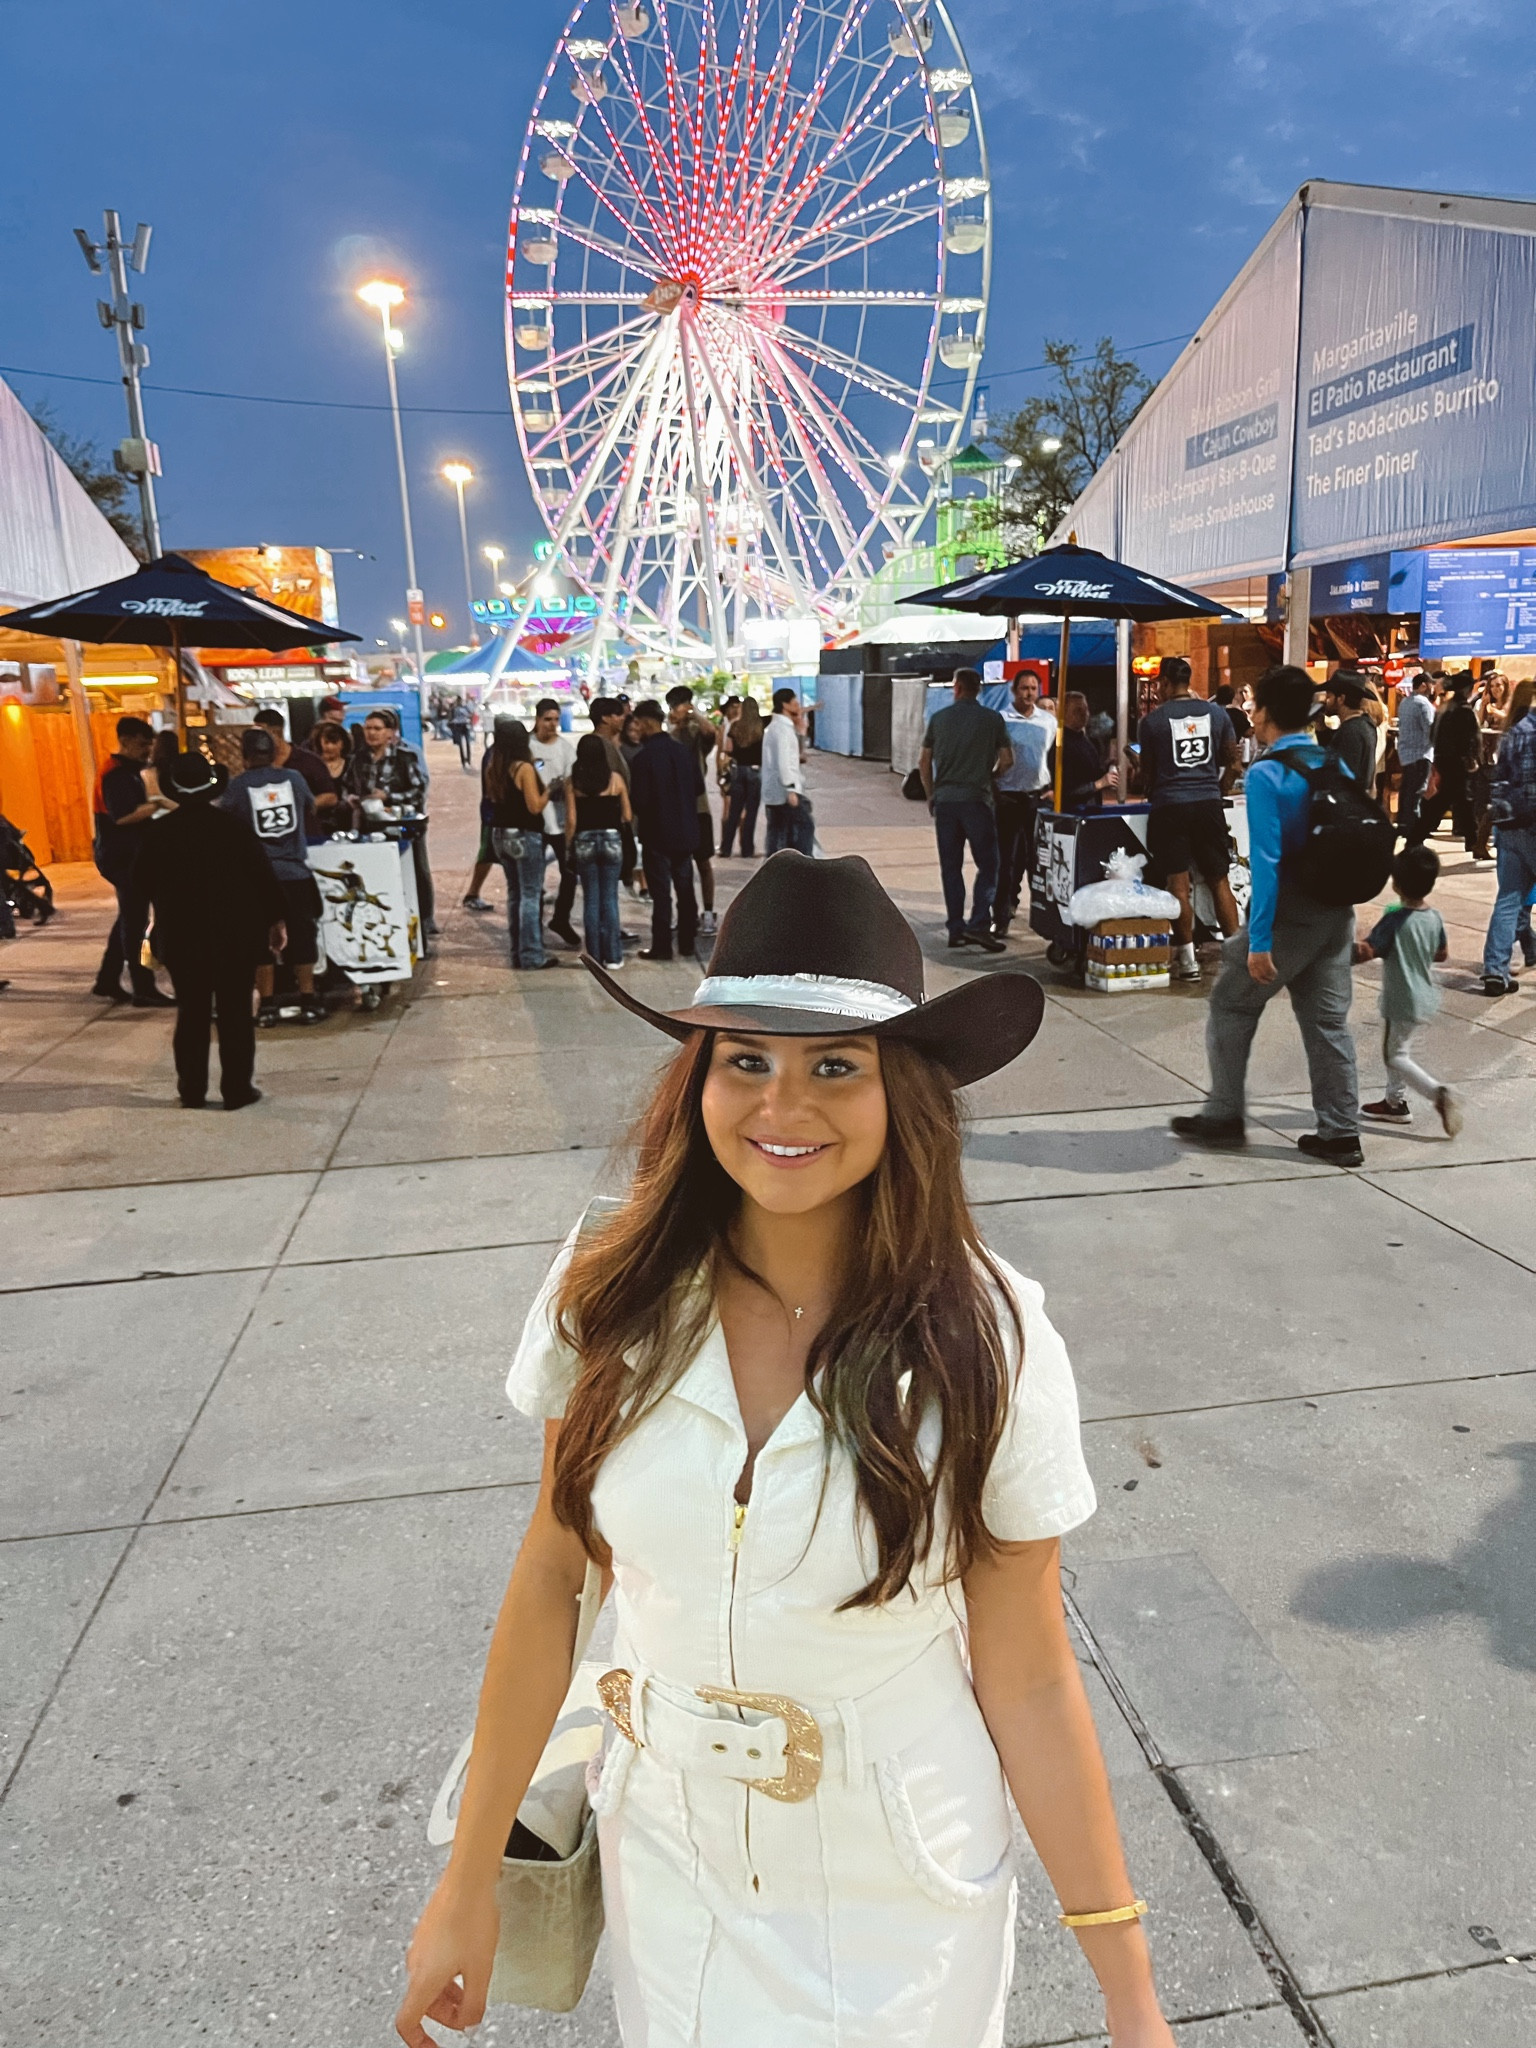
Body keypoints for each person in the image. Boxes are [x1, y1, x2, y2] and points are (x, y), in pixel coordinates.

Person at [395, 851, 1177, 2048]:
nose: (781, 1104)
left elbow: (1026, 1668)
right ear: (695, 1076)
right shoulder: (610, 1291)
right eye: (744, 1058)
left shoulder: (989, 1332)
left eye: (833, 1066)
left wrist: (1127, 1983)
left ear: (901, 1089)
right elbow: (556, 1575)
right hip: (673, 1849)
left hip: (900, 1876)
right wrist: (465, 1887)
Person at [1172, 664, 1363, 1167]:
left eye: (1255, 706)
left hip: (1291, 914)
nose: (1251, 715)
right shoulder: (1331, 763)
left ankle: (1224, 1117)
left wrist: (1257, 942)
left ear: (1268, 713)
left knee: (1232, 1004)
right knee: (1327, 1023)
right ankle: (1341, 1132)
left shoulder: (1268, 773)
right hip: (1337, 913)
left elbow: (1269, 862)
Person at [133, 751, 286, 1109]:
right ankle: (236, 1090)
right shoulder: (232, 828)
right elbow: (264, 879)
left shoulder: (159, 833)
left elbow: (140, 882)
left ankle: (191, 1089)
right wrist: (276, 921)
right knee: (235, 1013)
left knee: (191, 1013)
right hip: (235, 936)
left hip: (183, 937)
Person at [1134, 656, 1240, 981]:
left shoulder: (1151, 722)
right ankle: (1236, 958)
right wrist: (1215, 789)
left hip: (1170, 807)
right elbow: (1233, 762)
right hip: (1208, 804)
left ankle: (1188, 960)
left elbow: (1146, 776)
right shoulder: (1218, 714)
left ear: (1164, 683)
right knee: (1218, 878)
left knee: (1177, 884)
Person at [220, 726, 325, 1026]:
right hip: (295, 872)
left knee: (259, 940)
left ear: (244, 756)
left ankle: (266, 1006)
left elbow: (226, 824)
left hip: (257, 879)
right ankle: (308, 999)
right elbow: (312, 807)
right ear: (274, 753)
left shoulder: (237, 787)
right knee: (303, 936)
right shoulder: (294, 779)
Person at [1354, 845, 1462, 1135]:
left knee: (1394, 1055)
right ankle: (1393, 1103)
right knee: (1400, 1047)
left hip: (1401, 998)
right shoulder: (1434, 917)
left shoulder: (1394, 920)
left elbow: (1366, 951)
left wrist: (1337, 952)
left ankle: (1436, 1094)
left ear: (1396, 883)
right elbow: (1441, 954)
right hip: (1424, 995)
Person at [919, 667, 1012, 952]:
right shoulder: (992, 719)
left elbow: (924, 762)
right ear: (978, 689)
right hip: (977, 801)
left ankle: (956, 928)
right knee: (989, 864)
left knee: (951, 867)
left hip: (946, 802)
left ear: (957, 688)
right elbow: (1008, 760)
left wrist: (931, 794)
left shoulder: (938, 719)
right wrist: (989, 776)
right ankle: (979, 924)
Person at [91, 715, 175, 1007]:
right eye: (142, 744)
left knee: (130, 918)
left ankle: (107, 979)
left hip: (129, 856)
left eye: (149, 745)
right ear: (125, 740)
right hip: (122, 857)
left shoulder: (129, 770)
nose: (147, 750)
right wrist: (157, 804)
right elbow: (123, 816)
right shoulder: (115, 774)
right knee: (136, 922)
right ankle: (143, 987)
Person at [345, 707, 436, 936]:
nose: (371, 733)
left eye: (377, 728)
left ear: (390, 732)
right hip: (369, 825)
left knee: (416, 869)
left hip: (403, 825)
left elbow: (419, 791)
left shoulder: (406, 756)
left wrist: (389, 798)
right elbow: (347, 785)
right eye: (368, 728)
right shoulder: (358, 758)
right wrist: (353, 799)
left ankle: (424, 918)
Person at [629, 699, 702, 960]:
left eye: (637, 723)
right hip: (685, 831)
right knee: (685, 889)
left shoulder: (643, 758)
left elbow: (639, 801)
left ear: (647, 723)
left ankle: (662, 946)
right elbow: (698, 788)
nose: (635, 729)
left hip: (657, 835)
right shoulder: (682, 752)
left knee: (661, 894)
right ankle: (687, 942)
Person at [483, 717, 556, 971]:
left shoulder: (494, 765)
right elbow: (534, 806)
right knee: (530, 895)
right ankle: (532, 955)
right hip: (524, 835)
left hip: (501, 836)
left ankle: (517, 951)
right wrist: (550, 790)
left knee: (514, 894)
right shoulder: (523, 768)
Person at [1479, 677, 1536, 996]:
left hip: (1510, 825)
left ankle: (1495, 970)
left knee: (1509, 899)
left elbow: (1500, 780)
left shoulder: (1515, 731)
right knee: (1513, 901)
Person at [993, 669, 1056, 937]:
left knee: (1038, 860)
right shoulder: (1002, 720)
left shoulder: (1048, 721)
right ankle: (1002, 914)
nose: (1029, 693)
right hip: (1008, 797)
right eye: (1024, 688)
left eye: (1033, 688)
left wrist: (1053, 788)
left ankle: (1044, 916)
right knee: (1006, 861)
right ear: (1014, 690)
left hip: (1036, 798)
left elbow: (1052, 757)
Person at [565, 731, 632, 970]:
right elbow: (626, 815)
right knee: (610, 899)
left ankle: (594, 957)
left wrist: (567, 846)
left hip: (584, 841)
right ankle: (614, 956)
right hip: (612, 839)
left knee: (591, 900)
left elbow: (571, 819)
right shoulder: (615, 779)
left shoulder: (573, 781)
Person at [667, 684, 720, 937]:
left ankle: (708, 912)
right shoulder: (671, 733)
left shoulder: (696, 733)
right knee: (680, 865)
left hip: (699, 807)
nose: (675, 711)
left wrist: (693, 714)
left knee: (703, 862)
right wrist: (675, 724)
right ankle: (686, 913)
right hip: (676, 808)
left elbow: (713, 731)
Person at [1410, 672, 1480, 851]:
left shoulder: (1445, 709)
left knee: (1459, 800)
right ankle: (1416, 837)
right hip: (1456, 761)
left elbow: (1434, 735)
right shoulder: (1463, 710)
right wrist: (1470, 757)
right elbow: (1470, 737)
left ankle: (1473, 841)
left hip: (1443, 759)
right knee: (1444, 801)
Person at [531, 699, 581, 949]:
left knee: (570, 874)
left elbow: (571, 788)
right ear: (537, 719)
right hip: (535, 824)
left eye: (555, 719)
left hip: (560, 824)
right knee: (534, 878)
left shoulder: (565, 749)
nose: (552, 725)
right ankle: (534, 927)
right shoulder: (528, 747)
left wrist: (572, 825)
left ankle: (561, 918)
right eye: (547, 719)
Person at [1046, 692, 1118, 816]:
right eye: (1078, 710)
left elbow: (1091, 773)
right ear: (1064, 713)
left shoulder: (1084, 740)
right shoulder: (1061, 745)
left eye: (1086, 709)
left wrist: (1107, 768)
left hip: (1090, 809)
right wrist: (1098, 784)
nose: (1084, 714)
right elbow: (1065, 791)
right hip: (1072, 814)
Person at [762, 686, 814, 855]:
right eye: (794, 701)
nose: (798, 705)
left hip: (777, 792)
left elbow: (793, 756)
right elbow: (783, 761)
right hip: (785, 792)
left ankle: (778, 868)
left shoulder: (778, 727)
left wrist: (801, 732)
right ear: (785, 705)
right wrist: (790, 788)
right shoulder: (781, 730)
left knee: (779, 833)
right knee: (802, 829)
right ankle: (801, 866)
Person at [1319, 671, 1379, 795]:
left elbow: (1344, 777)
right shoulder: (1364, 724)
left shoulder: (1351, 731)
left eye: (1329, 696)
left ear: (1341, 699)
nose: (1326, 701)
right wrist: (1322, 729)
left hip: (1349, 805)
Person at [719, 695, 764, 858]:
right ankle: (747, 849)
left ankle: (726, 848)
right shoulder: (761, 725)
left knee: (734, 812)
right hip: (755, 771)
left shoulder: (735, 726)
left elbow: (727, 748)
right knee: (751, 812)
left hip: (738, 771)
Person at [1393, 671, 1435, 840]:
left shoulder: (1404, 703)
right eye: (1431, 685)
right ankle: (1414, 828)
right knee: (1417, 791)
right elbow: (1430, 730)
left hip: (1405, 753)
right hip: (1421, 753)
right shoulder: (1424, 704)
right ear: (1424, 685)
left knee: (1407, 790)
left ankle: (1403, 824)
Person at [448, 696, 474, 770]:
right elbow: (451, 718)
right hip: (459, 726)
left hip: (464, 725)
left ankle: (467, 760)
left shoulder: (464, 707)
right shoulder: (454, 708)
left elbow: (471, 714)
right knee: (462, 745)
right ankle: (464, 761)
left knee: (466, 744)